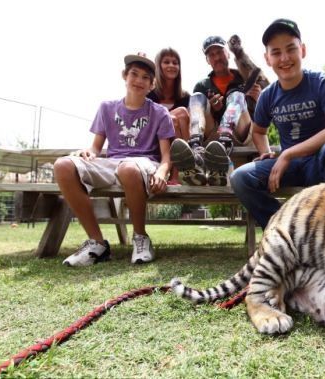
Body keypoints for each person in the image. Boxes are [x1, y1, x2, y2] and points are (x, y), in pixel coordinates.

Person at [230, 19, 325, 229]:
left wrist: (288, 153)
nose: (284, 58)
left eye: (291, 49)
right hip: (290, 167)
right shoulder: (268, 96)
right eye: (276, 52)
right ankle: (286, 230)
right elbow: (259, 131)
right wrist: (265, 151)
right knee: (240, 178)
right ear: (267, 58)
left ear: (303, 50)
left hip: (322, 162)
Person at [53, 52, 174, 266]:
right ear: (124, 76)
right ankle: (97, 243)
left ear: (152, 84)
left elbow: (166, 156)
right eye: (134, 74)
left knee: (128, 168)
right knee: (63, 165)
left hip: (144, 163)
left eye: (145, 77)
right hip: (111, 163)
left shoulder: (160, 113)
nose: (139, 80)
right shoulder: (106, 108)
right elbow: (96, 148)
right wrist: (89, 153)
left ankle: (140, 237)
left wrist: (162, 173)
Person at [170, 35, 262, 186]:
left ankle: (224, 146)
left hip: (243, 133)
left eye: (219, 52)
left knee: (237, 96)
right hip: (213, 138)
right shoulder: (203, 85)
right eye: (211, 55)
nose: (216, 57)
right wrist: (212, 110)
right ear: (207, 60)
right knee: (197, 97)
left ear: (228, 53)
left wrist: (258, 97)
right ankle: (196, 149)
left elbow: (269, 107)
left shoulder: (244, 76)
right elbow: (200, 112)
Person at [148, 47, 190, 185]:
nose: (172, 65)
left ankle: (175, 176)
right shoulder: (150, 94)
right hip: (153, 139)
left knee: (180, 116)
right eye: (166, 62)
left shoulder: (184, 97)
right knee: (175, 117)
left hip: (175, 140)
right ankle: (190, 164)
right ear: (158, 66)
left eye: (175, 62)